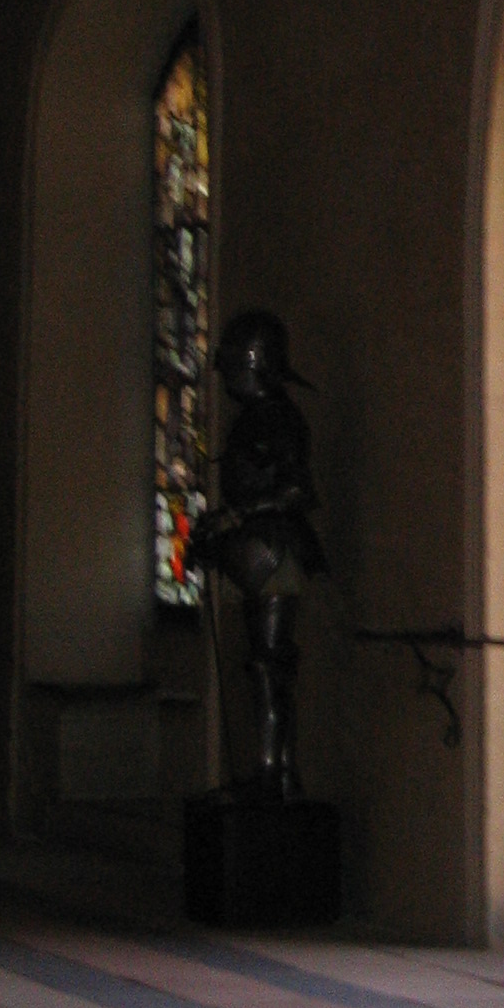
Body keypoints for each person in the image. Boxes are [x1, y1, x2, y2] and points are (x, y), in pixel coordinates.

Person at [191, 310, 325, 798]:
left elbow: (296, 491)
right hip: (257, 547)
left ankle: (275, 773)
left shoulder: (279, 420)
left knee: (270, 664)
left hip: (275, 548)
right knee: (264, 662)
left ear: (254, 364)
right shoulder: (255, 419)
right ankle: (275, 771)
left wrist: (237, 515)